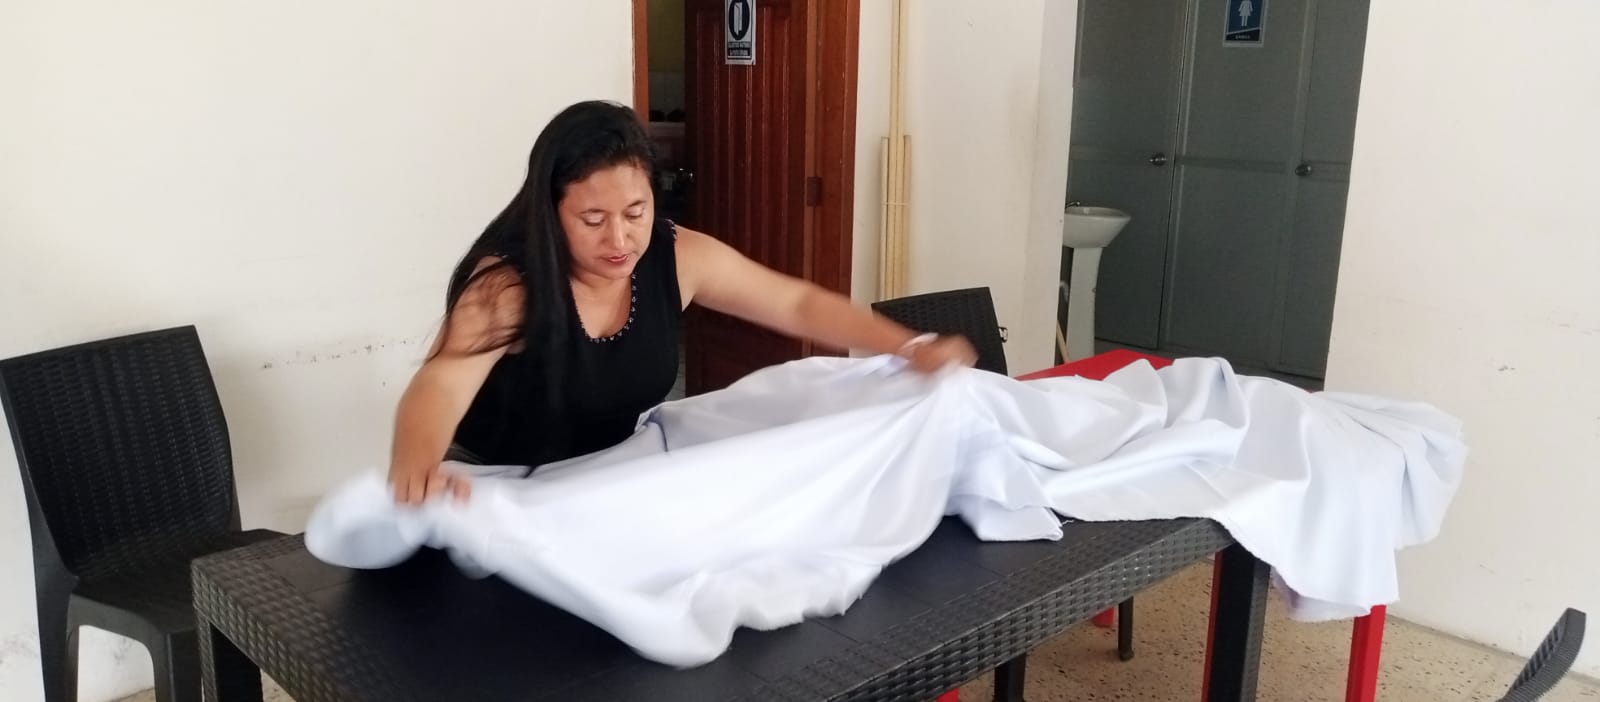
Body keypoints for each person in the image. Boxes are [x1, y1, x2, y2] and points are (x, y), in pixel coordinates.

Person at [388, 100, 977, 504]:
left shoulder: (678, 256)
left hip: (609, 479)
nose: (619, 239)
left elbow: (794, 303)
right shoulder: (508, 288)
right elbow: (441, 383)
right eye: (592, 219)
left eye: (635, 212)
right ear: (550, 212)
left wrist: (906, 346)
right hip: (502, 485)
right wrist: (417, 464)